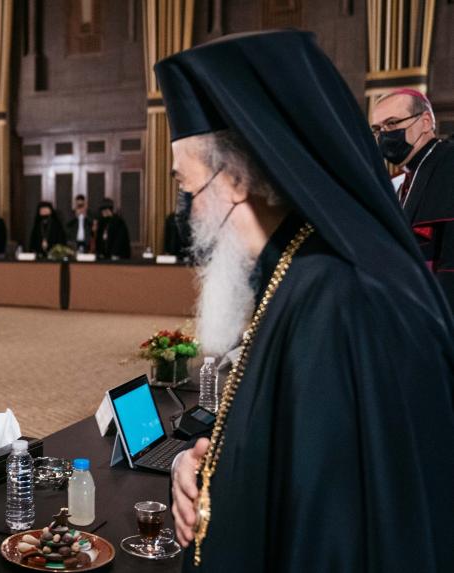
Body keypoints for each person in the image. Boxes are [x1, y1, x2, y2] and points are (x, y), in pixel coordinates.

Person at [155, 30, 454, 572]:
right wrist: (200, 468)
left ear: (236, 179)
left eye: (187, 186)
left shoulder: (340, 304)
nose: (187, 214)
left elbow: (335, 539)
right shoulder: (297, 272)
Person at [370, 89, 454, 311]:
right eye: (377, 129)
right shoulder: (405, 179)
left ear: (425, 122)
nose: (384, 135)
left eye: (392, 123)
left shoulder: (448, 164)